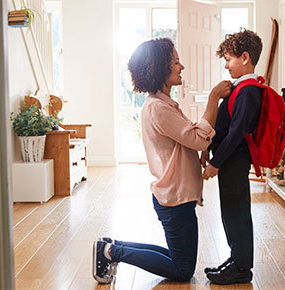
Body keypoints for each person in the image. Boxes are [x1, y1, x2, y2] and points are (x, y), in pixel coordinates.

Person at [92, 38, 232, 284]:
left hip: (175, 196)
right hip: (175, 198)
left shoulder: (163, 104)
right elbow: (198, 138)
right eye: (176, 62)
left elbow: (187, 140)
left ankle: (111, 246)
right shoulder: (159, 108)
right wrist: (213, 99)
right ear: (160, 68)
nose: (182, 67)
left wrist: (199, 148)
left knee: (178, 258)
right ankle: (112, 252)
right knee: (182, 270)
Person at [201, 28, 263, 285]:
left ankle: (241, 267)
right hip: (230, 161)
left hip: (234, 162)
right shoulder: (240, 88)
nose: (226, 65)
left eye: (228, 59)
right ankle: (236, 259)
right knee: (230, 211)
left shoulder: (248, 90)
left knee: (237, 212)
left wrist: (216, 163)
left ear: (245, 57)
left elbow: (237, 132)